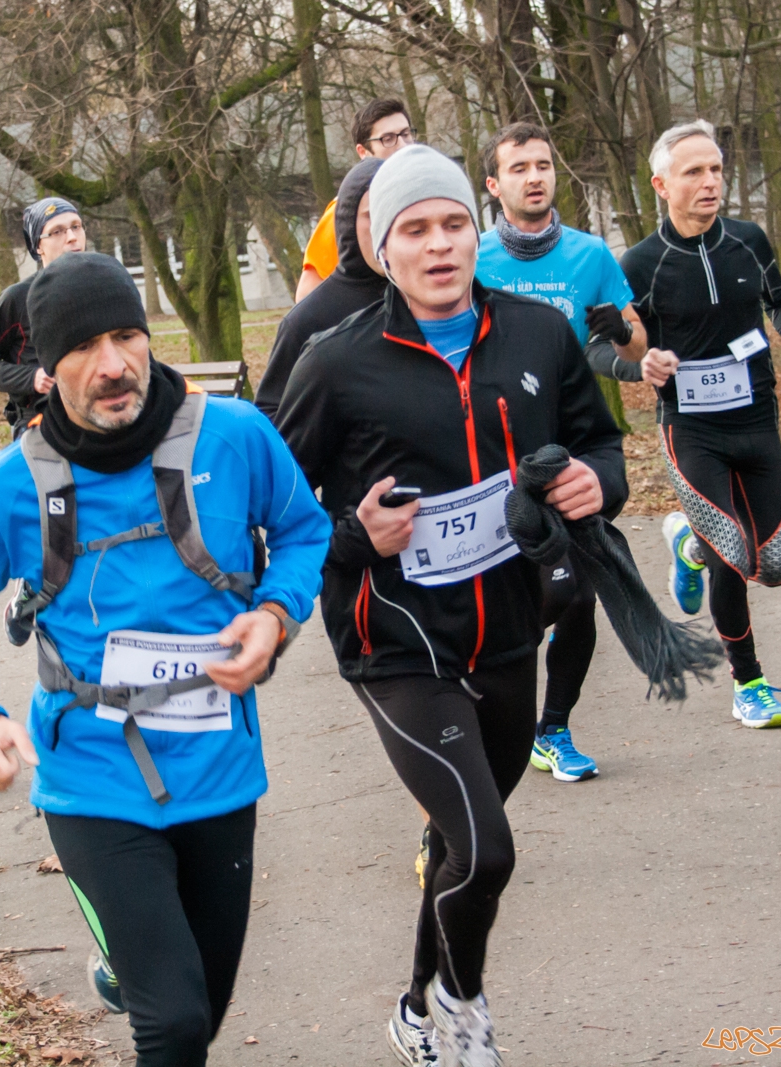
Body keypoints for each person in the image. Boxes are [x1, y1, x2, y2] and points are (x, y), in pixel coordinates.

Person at [0, 251, 331, 1067]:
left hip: (220, 767)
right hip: (92, 778)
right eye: (83, 348)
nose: (113, 365)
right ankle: (140, 966)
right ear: (44, 366)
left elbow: (302, 530)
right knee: (172, 1026)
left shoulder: (236, 436)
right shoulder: (10, 486)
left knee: (200, 1012)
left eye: (126, 336)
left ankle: (130, 966)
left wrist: (277, 613)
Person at [276, 145, 626, 1066]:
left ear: (478, 230)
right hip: (393, 643)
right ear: (382, 249)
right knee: (489, 848)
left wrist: (599, 482)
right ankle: (465, 1007)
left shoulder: (535, 336)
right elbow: (272, 511)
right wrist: (356, 535)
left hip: (510, 628)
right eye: (414, 230)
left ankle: (414, 1006)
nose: (439, 245)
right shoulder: (335, 364)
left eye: (453, 223)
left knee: (456, 844)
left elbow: (601, 445)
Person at [622, 120, 781, 729]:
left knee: (778, 567)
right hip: (692, 431)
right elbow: (596, 344)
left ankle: (686, 543)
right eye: (694, 172)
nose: (710, 182)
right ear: (662, 184)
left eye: (715, 169)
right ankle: (750, 684)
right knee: (733, 554)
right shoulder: (640, 264)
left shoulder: (748, 240)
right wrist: (640, 365)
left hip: (756, 419)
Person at [475, 122, 649, 782]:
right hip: (494, 447)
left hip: (572, 441)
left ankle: (553, 727)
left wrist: (622, 330)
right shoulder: (477, 258)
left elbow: (636, 348)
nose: (534, 176)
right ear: (495, 184)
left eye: (543, 164)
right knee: (515, 592)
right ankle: (494, 705)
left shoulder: (589, 255)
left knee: (578, 596)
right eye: (518, 167)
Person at [255, 156, 385, 418]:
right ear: (347, 221)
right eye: (373, 215)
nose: (385, 225)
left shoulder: (426, 302)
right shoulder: (307, 318)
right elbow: (271, 414)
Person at [0, 197, 87, 433]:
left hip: (98, 418)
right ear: (37, 246)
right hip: (39, 423)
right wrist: (31, 377)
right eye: (57, 231)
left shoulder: (104, 287)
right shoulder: (18, 298)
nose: (72, 237)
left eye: (76, 226)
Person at [293, 98, 418, 302]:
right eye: (388, 138)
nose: (403, 145)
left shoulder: (428, 200)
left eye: (405, 134)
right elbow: (308, 296)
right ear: (363, 152)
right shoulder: (345, 212)